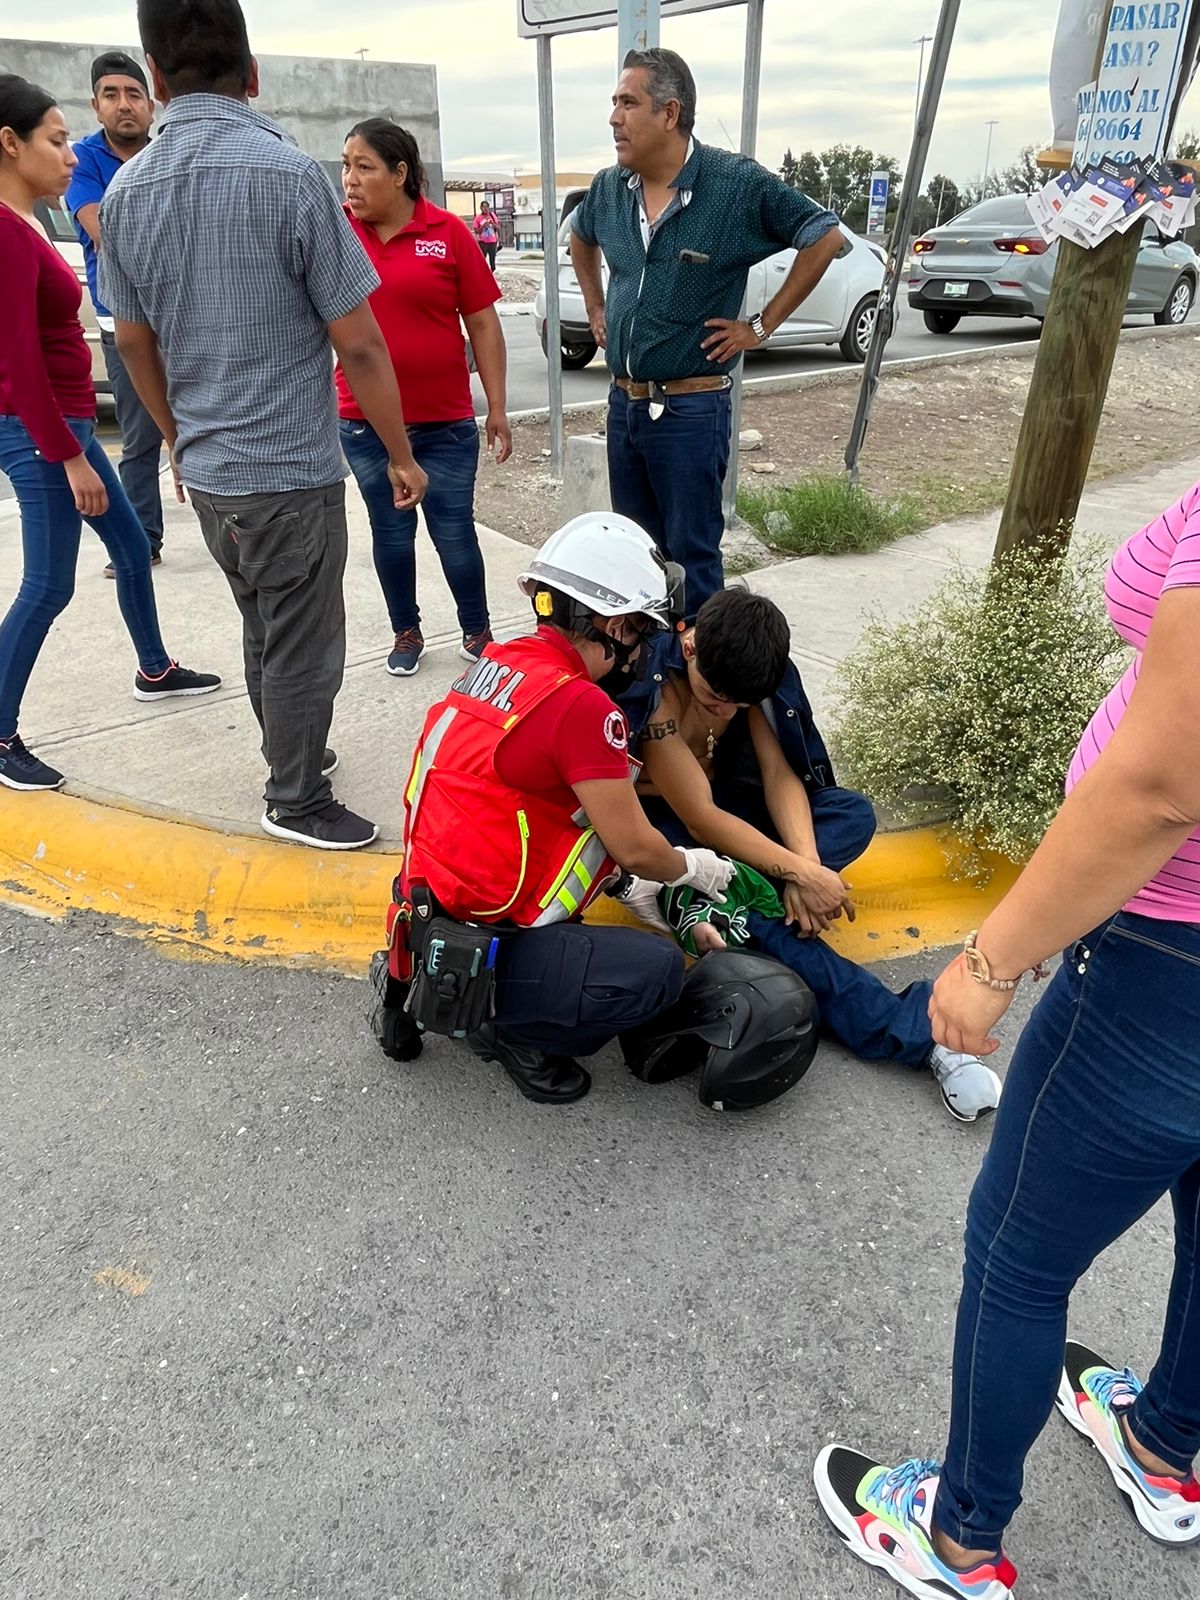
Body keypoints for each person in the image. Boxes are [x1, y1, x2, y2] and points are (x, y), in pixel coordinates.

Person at [814, 485, 1200, 1596]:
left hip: (1169, 960)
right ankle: (1167, 1448)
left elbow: (1166, 781)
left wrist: (992, 957)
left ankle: (959, 1535)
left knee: (1020, 1256)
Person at [98, 0, 428, 852]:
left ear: (157, 77)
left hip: (211, 474)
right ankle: (294, 796)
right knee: (304, 644)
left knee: (264, 626)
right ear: (252, 76)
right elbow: (357, 342)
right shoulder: (289, 176)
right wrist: (400, 455)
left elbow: (131, 342)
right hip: (288, 471)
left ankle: (296, 757)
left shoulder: (127, 191)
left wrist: (177, 436)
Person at [375, 512, 736, 1105]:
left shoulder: (498, 664)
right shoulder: (582, 708)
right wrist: (692, 868)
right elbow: (637, 844)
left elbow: (533, 809)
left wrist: (621, 888)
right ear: (615, 626)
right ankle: (509, 1030)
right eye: (643, 634)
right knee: (657, 971)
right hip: (486, 938)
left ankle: (425, 985)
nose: (644, 651)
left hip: (422, 905)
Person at [616, 587, 1000, 1122]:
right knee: (770, 929)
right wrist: (800, 869)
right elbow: (700, 815)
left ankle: (750, 906)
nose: (726, 709)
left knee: (850, 815)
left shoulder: (752, 679)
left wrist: (805, 872)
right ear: (689, 645)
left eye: (740, 702)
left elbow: (781, 774)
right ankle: (918, 1034)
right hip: (681, 839)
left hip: (739, 817)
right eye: (715, 695)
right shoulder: (655, 693)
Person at [0, 75, 220, 794]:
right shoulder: (4, 231)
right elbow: (16, 360)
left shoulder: (28, 219)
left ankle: (153, 668)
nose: (70, 156)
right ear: (10, 144)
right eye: (56, 141)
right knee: (47, 585)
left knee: (131, 547)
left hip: (60, 423)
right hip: (40, 431)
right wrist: (67, 456)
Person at [570, 48, 843, 616]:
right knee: (634, 554)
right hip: (624, 406)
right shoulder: (610, 188)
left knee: (692, 557)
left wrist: (760, 328)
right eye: (613, 103)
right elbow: (581, 236)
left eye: (628, 103)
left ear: (669, 114)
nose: (614, 118)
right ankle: (648, 675)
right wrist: (597, 308)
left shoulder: (733, 183)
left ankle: (700, 679)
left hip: (691, 412)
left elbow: (824, 236)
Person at [338, 119, 509, 677]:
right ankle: (405, 631)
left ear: (401, 173)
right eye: (346, 166)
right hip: (366, 428)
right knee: (390, 535)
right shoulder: (337, 233)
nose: (350, 180)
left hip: (444, 424)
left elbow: (482, 324)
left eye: (364, 167)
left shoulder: (449, 232)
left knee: (455, 531)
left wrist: (498, 406)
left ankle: (477, 630)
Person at [65, 50, 166, 574]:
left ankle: (234, 527)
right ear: (96, 105)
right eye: (112, 95)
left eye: (133, 94)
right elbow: (110, 235)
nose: (124, 105)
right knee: (141, 434)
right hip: (123, 320)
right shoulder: (84, 161)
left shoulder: (168, 152)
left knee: (211, 419)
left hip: (186, 316)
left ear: (151, 105)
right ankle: (145, 536)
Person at [472, 199, 499, 272]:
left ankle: (492, 273)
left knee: (492, 261)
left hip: (492, 241)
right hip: (482, 242)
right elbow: (476, 231)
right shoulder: (478, 218)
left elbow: (498, 227)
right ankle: (482, 274)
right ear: (481, 208)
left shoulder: (492, 215)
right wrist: (483, 226)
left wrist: (492, 223)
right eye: (483, 207)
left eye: (486, 206)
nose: (485, 208)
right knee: (482, 260)